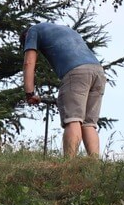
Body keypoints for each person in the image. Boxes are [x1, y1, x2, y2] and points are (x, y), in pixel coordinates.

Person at [21, 22, 106, 158]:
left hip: (76, 73)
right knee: (89, 123)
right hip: (98, 72)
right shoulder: (66, 30)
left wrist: (29, 93)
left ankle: (68, 165)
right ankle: (95, 165)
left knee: (73, 119)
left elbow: (28, 63)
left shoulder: (33, 31)